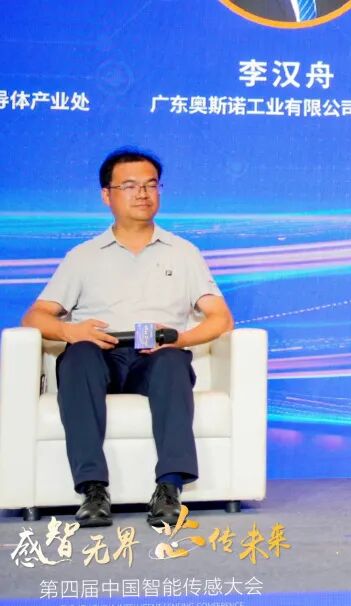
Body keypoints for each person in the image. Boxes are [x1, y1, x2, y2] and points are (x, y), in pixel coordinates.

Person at [21, 148, 234, 527]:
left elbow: (221, 317)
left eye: (151, 185)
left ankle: (169, 488)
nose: (143, 194)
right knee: (78, 356)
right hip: (98, 354)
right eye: (131, 186)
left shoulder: (184, 253)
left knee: (172, 362)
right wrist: (71, 331)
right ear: (107, 195)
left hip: (154, 354)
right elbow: (34, 316)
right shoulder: (83, 256)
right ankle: (93, 490)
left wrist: (181, 339)